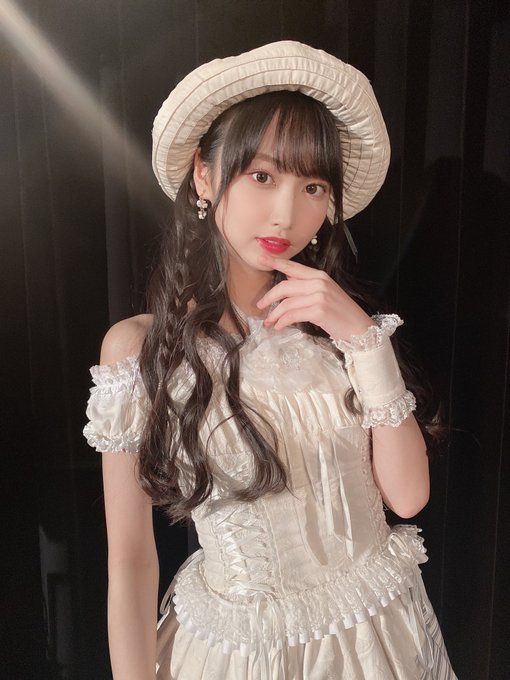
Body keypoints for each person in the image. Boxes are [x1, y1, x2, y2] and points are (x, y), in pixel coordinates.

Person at [84, 41, 457, 679]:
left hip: (375, 639)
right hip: (241, 653)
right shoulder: (140, 350)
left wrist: (362, 337)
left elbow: (408, 496)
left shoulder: (341, 332)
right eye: (262, 176)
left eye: (312, 186)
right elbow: (131, 558)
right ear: (205, 176)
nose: (286, 213)